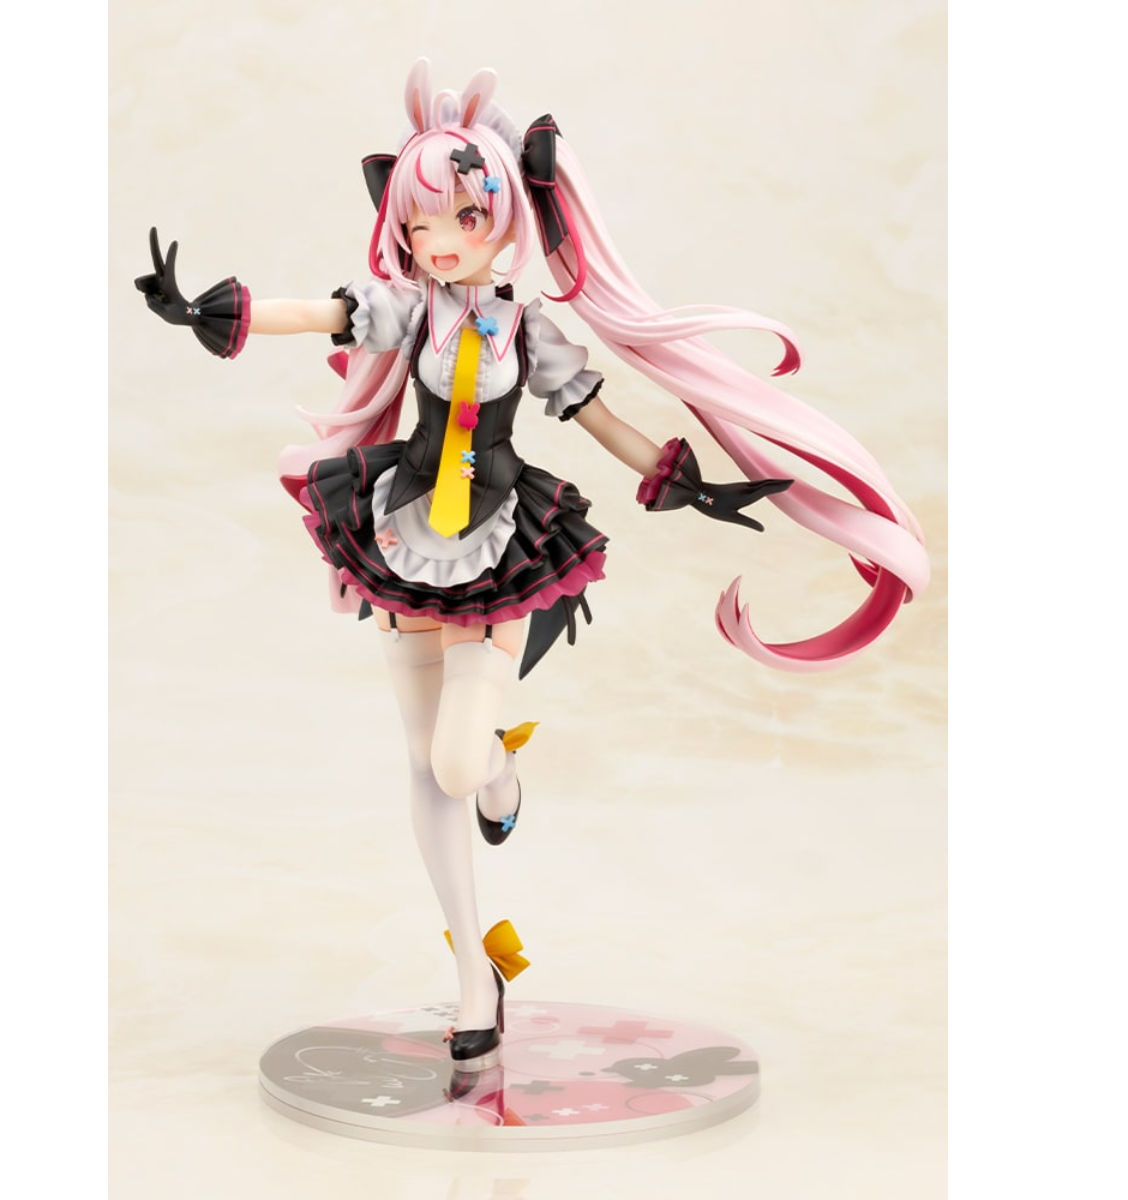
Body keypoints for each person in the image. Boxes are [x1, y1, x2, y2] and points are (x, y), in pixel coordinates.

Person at [135, 59, 928, 1071]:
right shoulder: (411, 309)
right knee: (423, 763)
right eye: (421, 221)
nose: (441, 239)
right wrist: (214, 313)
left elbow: (596, 414)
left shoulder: (526, 328)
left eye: (465, 217)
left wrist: (684, 482)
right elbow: (327, 314)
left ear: (503, 215)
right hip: (405, 528)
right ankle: (478, 974)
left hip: (502, 534)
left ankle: (500, 765)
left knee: (459, 762)